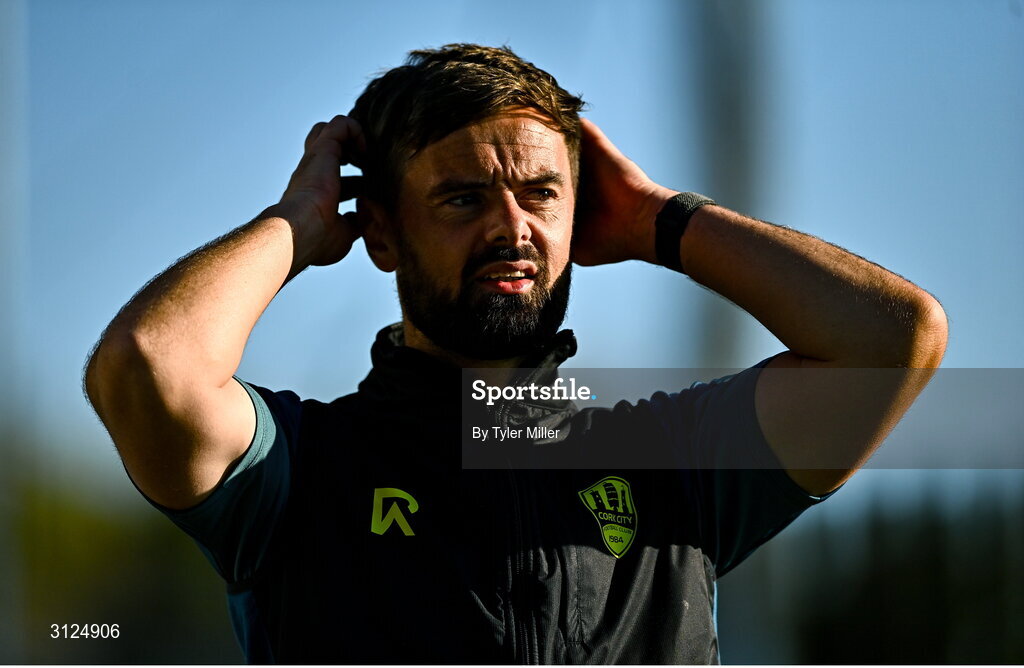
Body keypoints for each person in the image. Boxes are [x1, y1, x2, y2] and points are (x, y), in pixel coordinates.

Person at [83, 44, 947, 664]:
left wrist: (659, 221)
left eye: (542, 194)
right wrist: (297, 225)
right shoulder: (303, 469)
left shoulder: (672, 463)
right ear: (381, 232)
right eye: (462, 199)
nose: (512, 228)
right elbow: (147, 367)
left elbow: (893, 339)